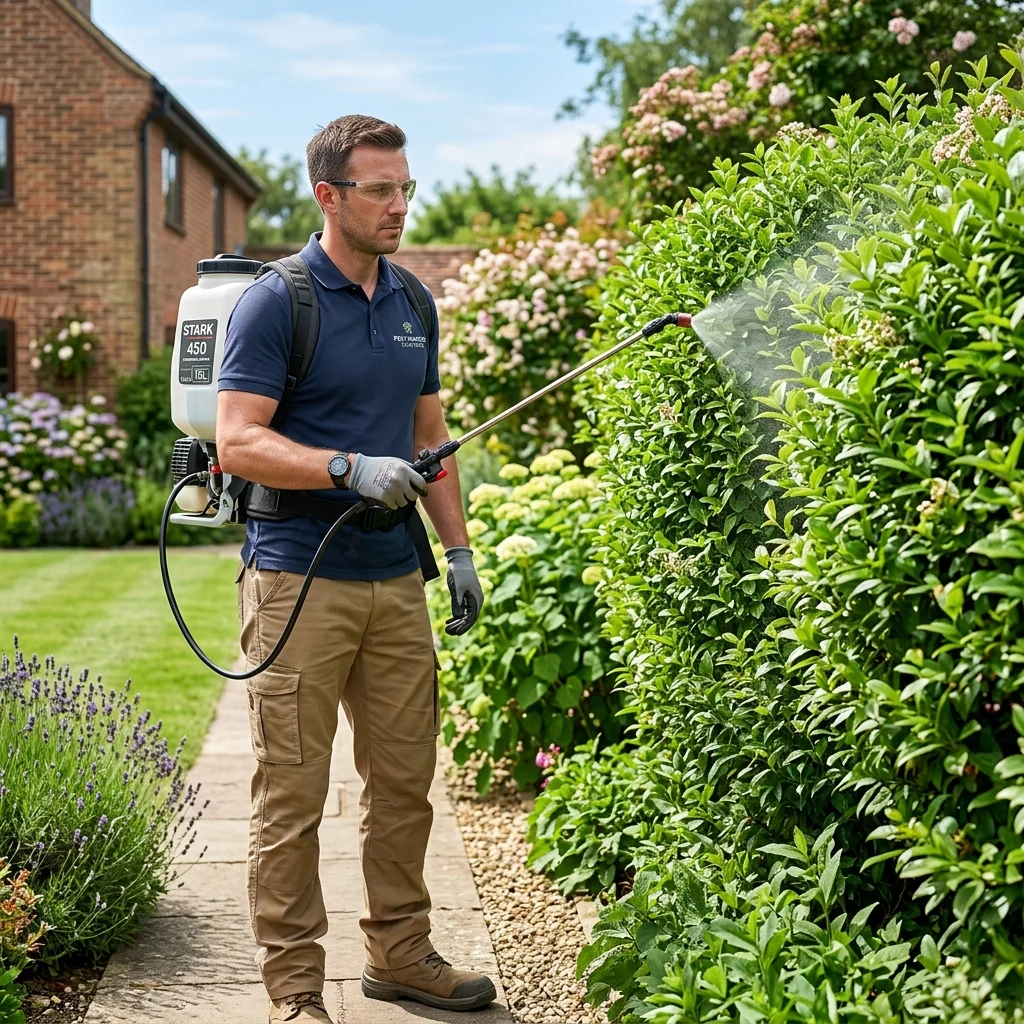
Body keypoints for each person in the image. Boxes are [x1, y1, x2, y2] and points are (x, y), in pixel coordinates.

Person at [216, 114, 492, 1024]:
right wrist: (345, 467)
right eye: (381, 188)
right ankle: (296, 991)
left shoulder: (414, 302)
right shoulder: (276, 301)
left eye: (406, 187)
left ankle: (400, 956)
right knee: (290, 794)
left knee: (406, 783)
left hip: (392, 582)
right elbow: (238, 440)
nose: (400, 205)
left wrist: (456, 551)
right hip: (297, 580)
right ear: (329, 195)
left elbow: (430, 441)